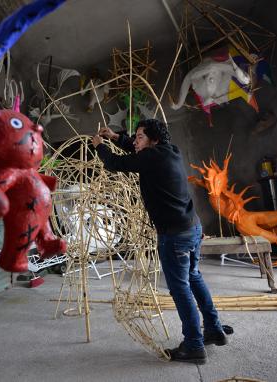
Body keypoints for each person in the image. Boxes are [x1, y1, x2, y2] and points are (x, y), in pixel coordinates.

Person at [92, 119, 227, 364]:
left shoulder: (150, 158)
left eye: (140, 137)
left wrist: (100, 145)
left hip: (175, 235)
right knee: (193, 277)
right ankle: (214, 329)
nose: (135, 141)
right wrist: (116, 137)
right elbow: (136, 150)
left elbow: (115, 163)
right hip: (192, 228)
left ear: (153, 140)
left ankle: (194, 345)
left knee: (180, 287)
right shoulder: (170, 150)